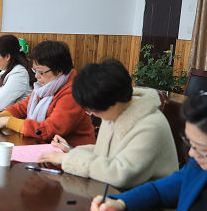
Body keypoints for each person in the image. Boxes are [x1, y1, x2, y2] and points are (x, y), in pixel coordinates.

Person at [38, 59, 178, 189]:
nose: (92, 114)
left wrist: (68, 159)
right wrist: (71, 151)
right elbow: (104, 153)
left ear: (114, 102)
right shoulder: (114, 111)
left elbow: (121, 174)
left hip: (147, 202)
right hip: (113, 193)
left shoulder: (151, 126)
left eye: (93, 110)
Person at [0, 40, 94, 145]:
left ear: (59, 70)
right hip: (46, 146)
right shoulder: (47, 86)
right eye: (34, 70)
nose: (36, 76)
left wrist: (7, 121)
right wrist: (0, 116)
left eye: (41, 72)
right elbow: (23, 107)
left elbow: (49, 130)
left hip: (72, 152)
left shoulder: (73, 93)